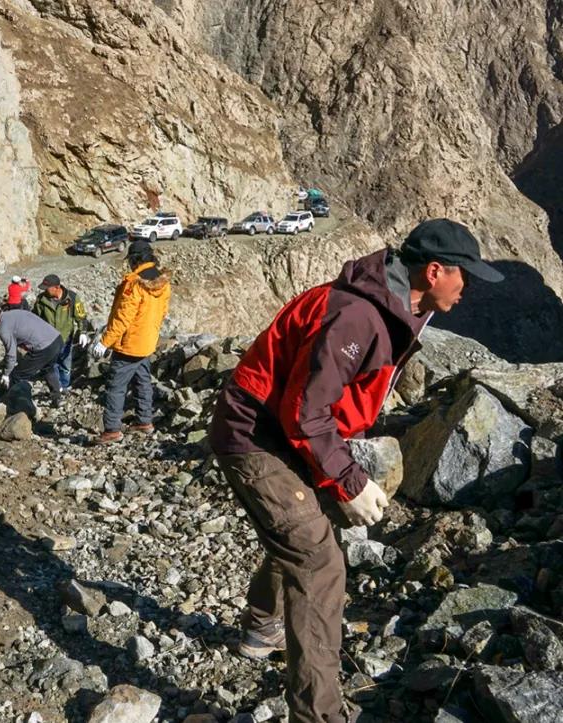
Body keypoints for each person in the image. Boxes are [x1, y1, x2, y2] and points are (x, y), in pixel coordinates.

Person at [208, 219, 503, 723]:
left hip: (281, 431)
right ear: (433, 272)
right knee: (319, 563)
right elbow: (304, 411)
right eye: (463, 276)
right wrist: (347, 479)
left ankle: (262, 628)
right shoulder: (358, 317)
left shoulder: (391, 307)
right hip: (257, 435)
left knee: (300, 534)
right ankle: (318, 714)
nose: (467, 287)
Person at [89, 240, 171, 443]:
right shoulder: (162, 281)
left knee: (116, 386)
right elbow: (163, 312)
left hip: (129, 345)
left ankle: (112, 430)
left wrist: (105, 342)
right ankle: (144, 421)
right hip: (147, 342)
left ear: (135, 260)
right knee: (143, 380)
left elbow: (123, 318)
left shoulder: (134, 283)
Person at [0, 304, 63, 406]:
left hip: (44, 347)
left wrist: (6, 374)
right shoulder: (15, 313)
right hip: (57, 339)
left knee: (17, 375)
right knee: (47, 368)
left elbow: (11, 355)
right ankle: (57, 397)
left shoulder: (4, 329)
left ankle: (11, 404)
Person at [32, 273, 89, 390]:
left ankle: (65, 384)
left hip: (66, 338)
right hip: (48, 340)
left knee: (65, 364)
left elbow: (81, 316)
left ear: (57, 287)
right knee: (52, 364)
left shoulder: (72, 298)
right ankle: (57, 387)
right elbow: (35, 318)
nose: (44, 291)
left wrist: (83, 332)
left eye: (47, 288)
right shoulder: (41, 300)